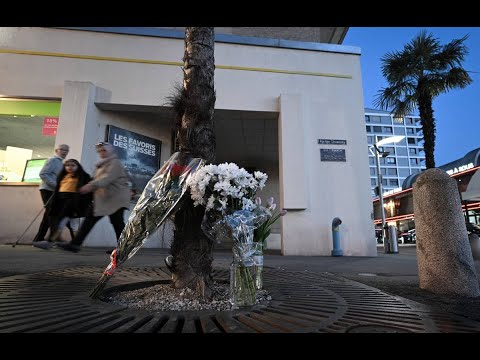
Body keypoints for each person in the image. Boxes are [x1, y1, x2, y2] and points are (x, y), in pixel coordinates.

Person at [57, 142, 131, 253]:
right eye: (99, 151)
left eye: (104, 150)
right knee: (91, 219)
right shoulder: (102, 164)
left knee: (116, 223)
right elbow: (97, 179)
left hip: (116, 199)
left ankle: (123, 249)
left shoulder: (115, 163)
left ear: (110, 151)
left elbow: (106, 178)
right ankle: (75, 244)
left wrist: (89, 186)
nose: (101, 152)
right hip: (105, 199)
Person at [33, 159, 92, 250]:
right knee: (56, 219)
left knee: (63, 220)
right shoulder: (62, 176)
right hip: (60, 200)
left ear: (77, 166)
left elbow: (87, 191)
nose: (70, 167)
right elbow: (57, 189)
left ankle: (52, 241)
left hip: (72, 200)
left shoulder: (83, 176)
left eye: (73, 165)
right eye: (67, 165)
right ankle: (57, 240)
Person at [32, 144, 71, 244]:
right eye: (62, 149)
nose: (64, 152)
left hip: (54, 191)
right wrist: (56, 186)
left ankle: (38, 239)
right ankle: (54, 237)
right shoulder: (52, 160)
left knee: (48, 214)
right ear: (56, 150)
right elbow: (43, 174)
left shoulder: (62, 163)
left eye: (66, 150)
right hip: (47, 190)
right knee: (53, 213)